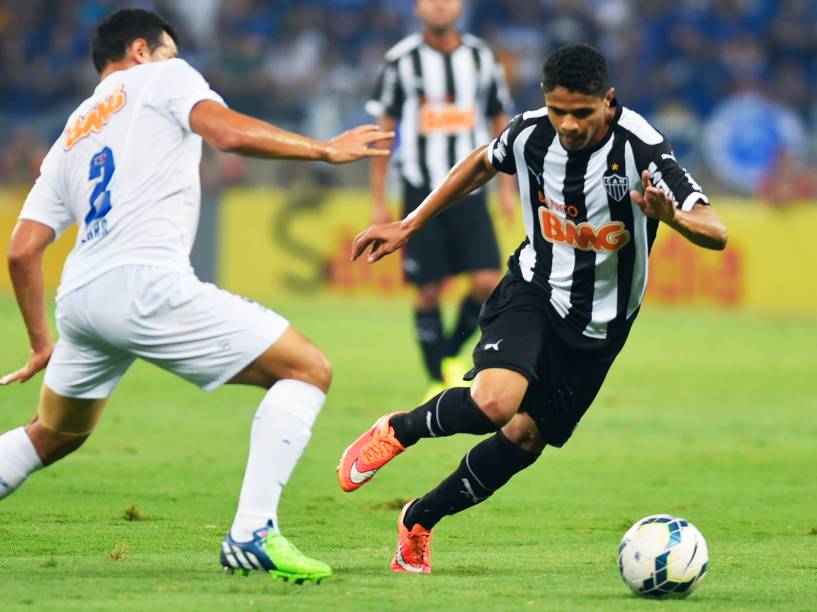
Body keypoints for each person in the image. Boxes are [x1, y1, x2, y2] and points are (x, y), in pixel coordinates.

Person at [0, 9, 392, 584]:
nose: (177, 59)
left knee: (51, 434)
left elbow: (21, 250)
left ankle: (252, 532)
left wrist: (41, 341)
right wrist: (322, 150)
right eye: (168, 49)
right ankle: (252, 533)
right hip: (144, 284)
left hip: (80, 299)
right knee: (306, 369)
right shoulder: (163, 74)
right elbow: (228, 134)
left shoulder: (69, 135)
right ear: (141, 49)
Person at [338, 43, 727, 574]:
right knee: (496, 403)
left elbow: (716, 231)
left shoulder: (642, 148)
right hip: (533, 290)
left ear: (608, 101)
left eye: (582, 113)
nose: (567, 124)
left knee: (523, 437)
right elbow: (480, 162)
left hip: (601, 326)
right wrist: (409, 223)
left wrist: (674, 218)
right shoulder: (529, 133)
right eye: (558, 110)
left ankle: (419, 521)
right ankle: (400, 429)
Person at [367, 0, 517, 399]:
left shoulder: (482, 58)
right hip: (419, 187)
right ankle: (436, 379)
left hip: (470, 187)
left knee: (487, 281)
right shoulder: (400, 61)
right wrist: (380, 198)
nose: (439, 7)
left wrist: (506, 186)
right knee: (429, 289)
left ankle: (449, 355)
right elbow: (385, 128)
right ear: (417, 7)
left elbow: (500, 118)